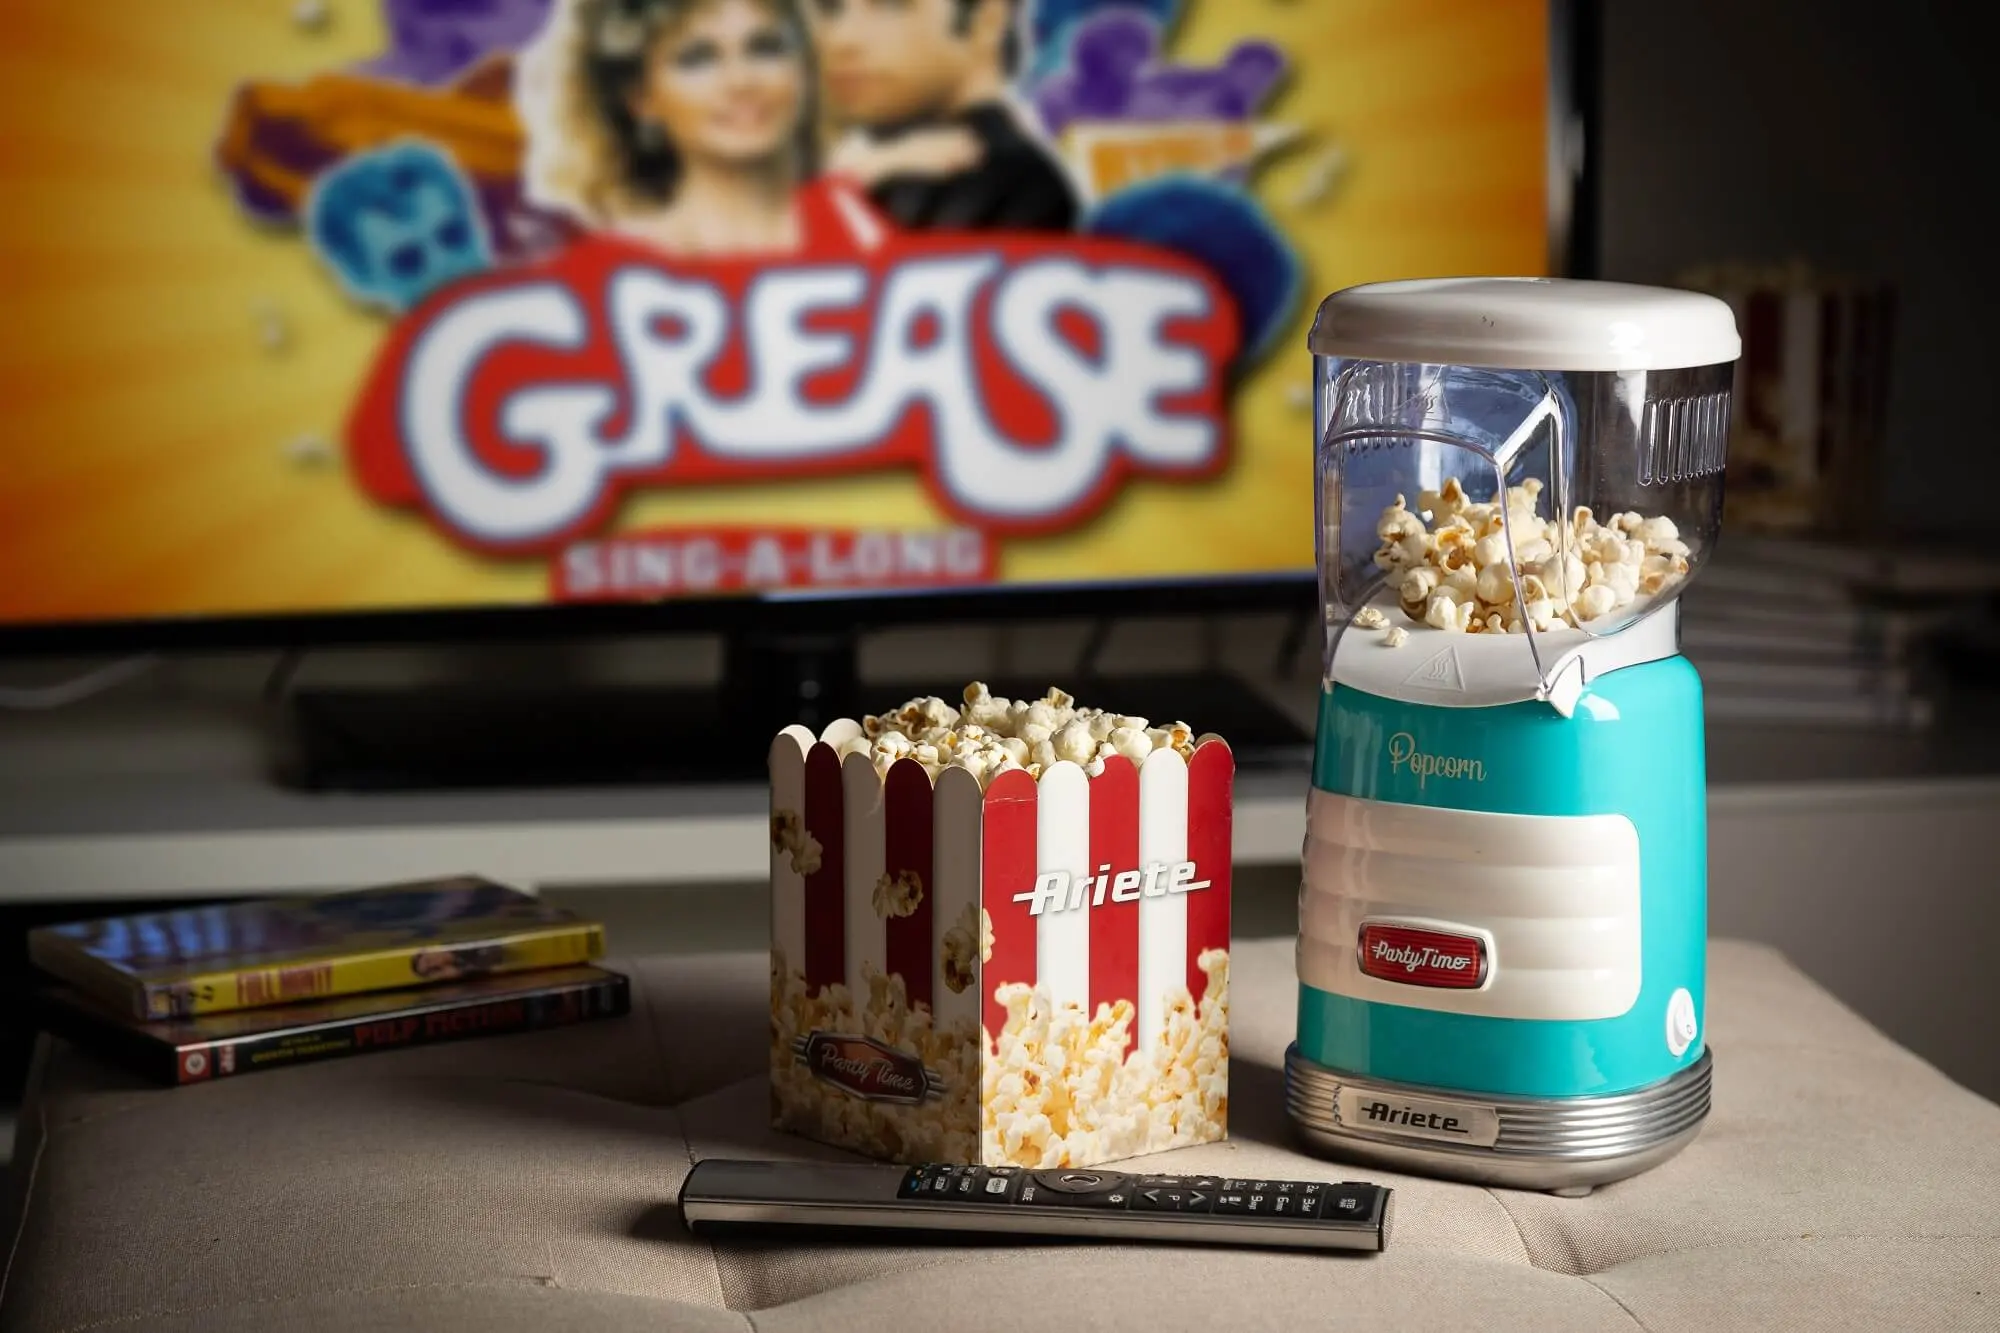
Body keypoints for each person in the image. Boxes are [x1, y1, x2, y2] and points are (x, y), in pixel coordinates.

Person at [518, 0, 820, 254]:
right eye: (697, 58)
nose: (741, 81)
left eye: (765, 48)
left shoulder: (849, 221)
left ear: (803, 68)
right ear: (640, 97)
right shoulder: (616, 268)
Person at [806, 0, 1080, 232]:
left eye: (890, 4)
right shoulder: (867, 166)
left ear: (987, 20)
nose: (841, 39)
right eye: (829, 7)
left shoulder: (1011, 187)